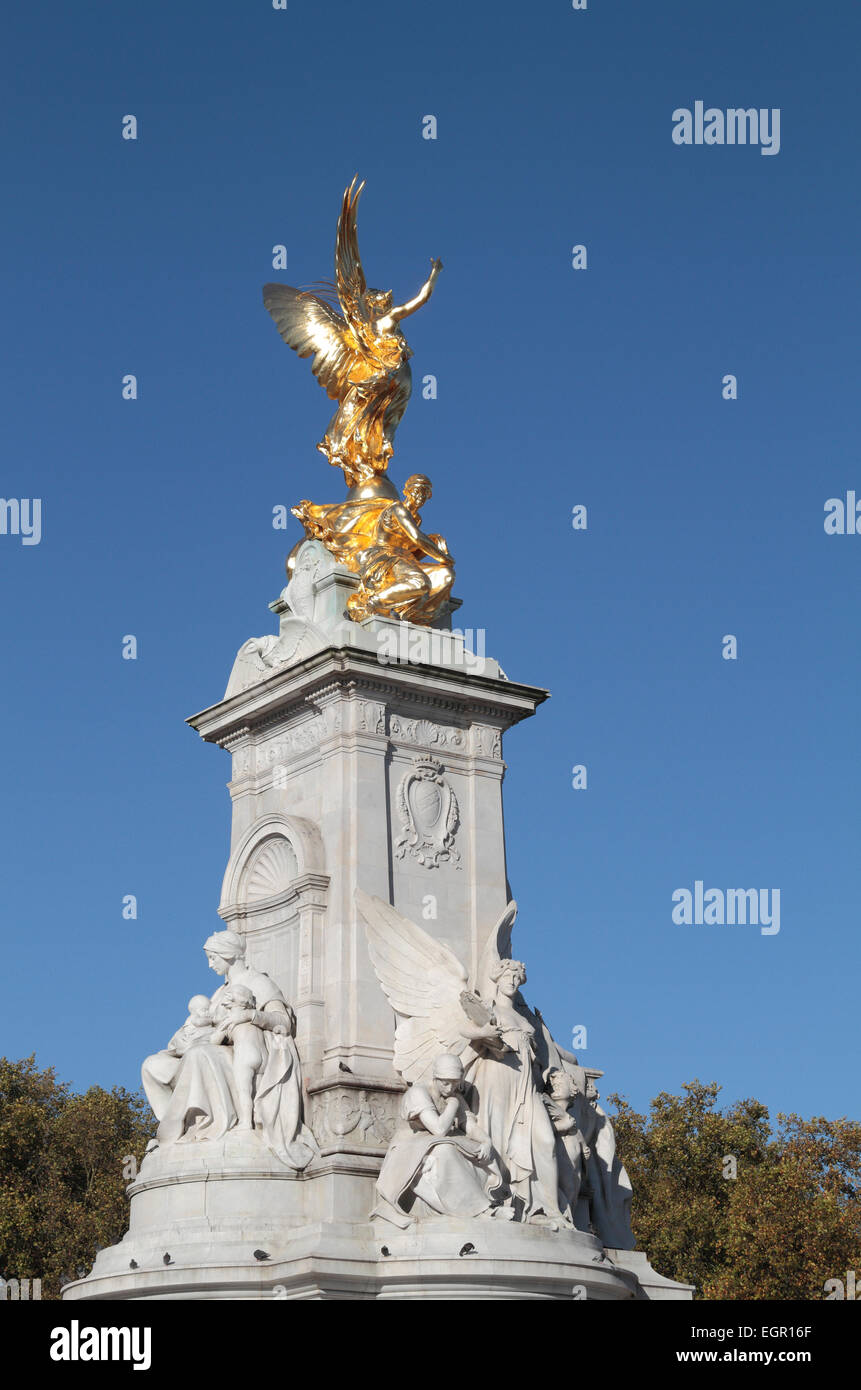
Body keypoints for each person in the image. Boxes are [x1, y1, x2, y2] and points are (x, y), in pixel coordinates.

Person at [374, 1054, 509, 1228]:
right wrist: (453, 1105)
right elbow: (438, 1130)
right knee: (445, 1150)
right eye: (445, 1082)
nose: (450, 1087)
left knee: (478, 1150)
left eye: (455, 1082)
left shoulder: (454, 1095)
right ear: (435, 1077)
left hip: (434, 1142)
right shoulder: (418, 1092)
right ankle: (483, 1210)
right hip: (410, 1145)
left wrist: (486, 1141)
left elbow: (470, 1127)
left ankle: (493, 1199)